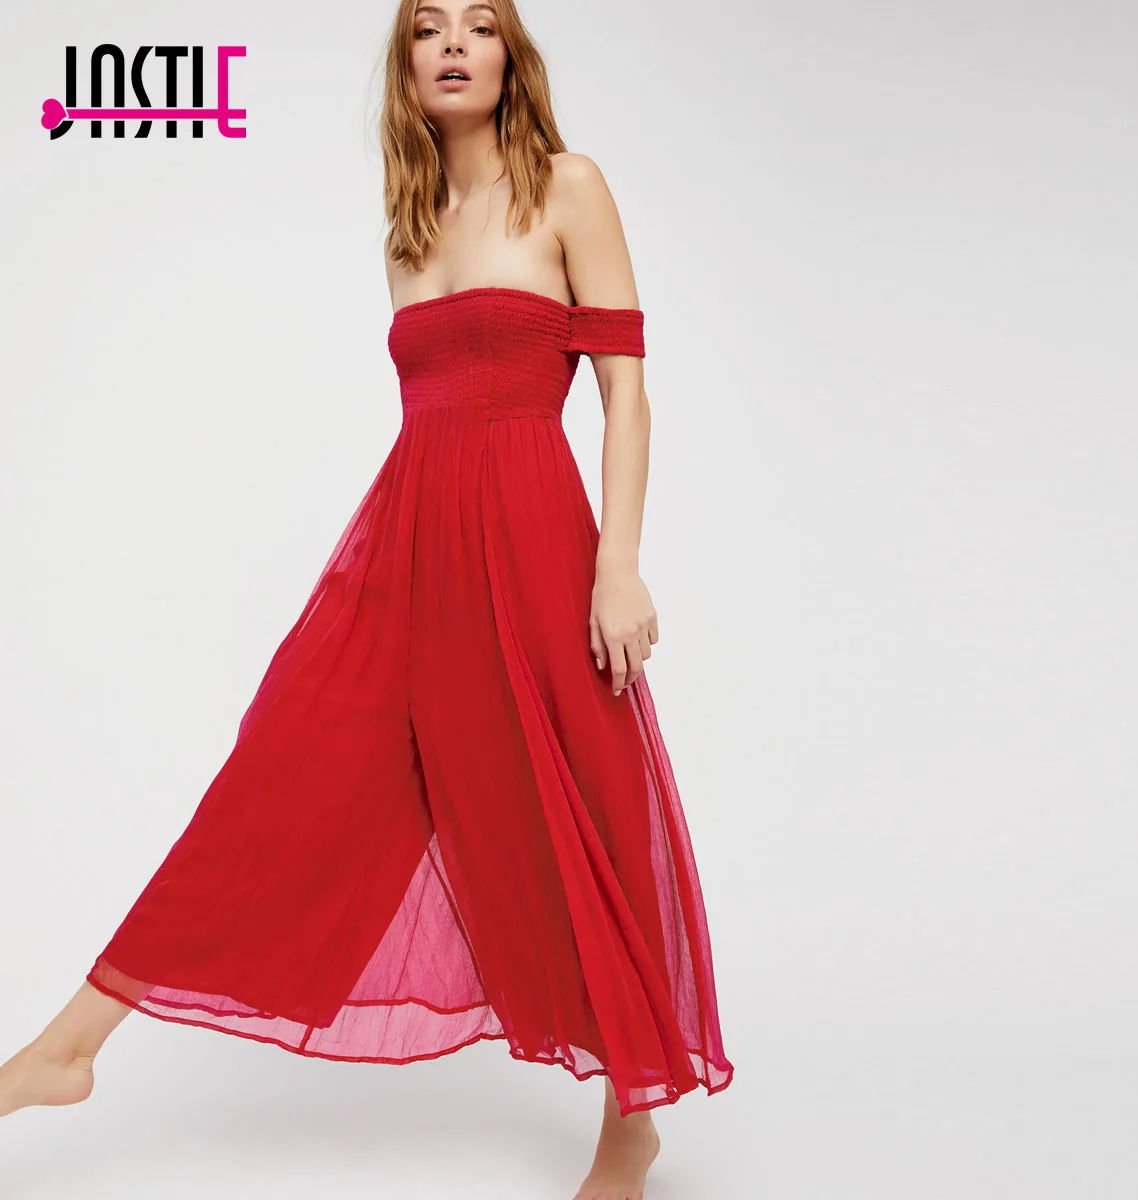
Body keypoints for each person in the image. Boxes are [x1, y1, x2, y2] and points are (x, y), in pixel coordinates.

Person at [0, 2, 733, 1197]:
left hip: (538, 544)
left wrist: (619, 563)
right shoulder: (407, 227)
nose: (454, 44)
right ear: (406, 66)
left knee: (593, 809)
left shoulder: (570, 188)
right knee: (274, 781)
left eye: (480, 24)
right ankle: (69, 1047)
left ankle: (631, 1116)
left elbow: (626, 392)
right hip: (408, 550)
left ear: (511, 58)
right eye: (427, 28)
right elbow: (430, 421)